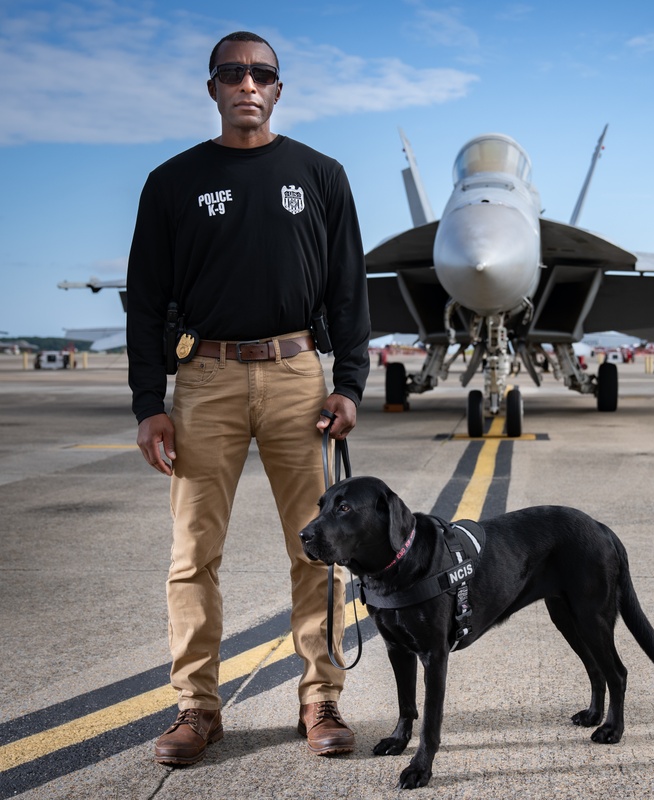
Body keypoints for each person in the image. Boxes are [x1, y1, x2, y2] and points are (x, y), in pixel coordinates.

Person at [126, 30, 370, 766]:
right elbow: (145, 301)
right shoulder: (171, 182)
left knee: (319, 548)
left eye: (261, 73)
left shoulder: (320, 175)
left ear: (277, 88)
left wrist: (350, 383)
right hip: (205, 380)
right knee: (193, 552)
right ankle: (197, 707)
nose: (247, 84)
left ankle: (319, 697)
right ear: (213, 89)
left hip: (299, 376)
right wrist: (149, 403)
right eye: (232, 73)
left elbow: (349, 290)